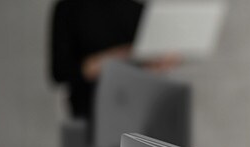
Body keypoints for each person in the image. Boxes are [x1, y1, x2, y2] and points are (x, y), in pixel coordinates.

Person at [49, 0, 179, 122]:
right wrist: (122, 57)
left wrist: (159, 61)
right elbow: (60, 72)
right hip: (90, 114)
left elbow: (153, 66)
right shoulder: (69, 8)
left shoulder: (138, 10)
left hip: (141, 111)